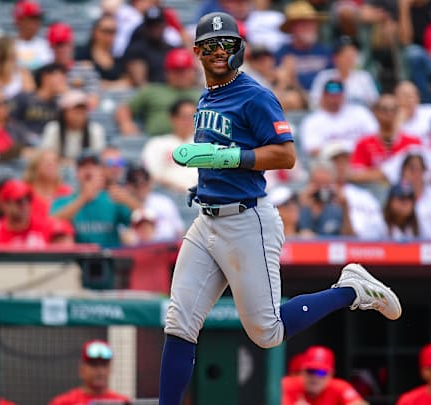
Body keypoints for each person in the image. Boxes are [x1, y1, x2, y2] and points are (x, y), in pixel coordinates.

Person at [159, 13, 401, 405]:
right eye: (210, 45)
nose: (219, 51)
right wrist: (210, 176)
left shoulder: (254, 94)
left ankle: (350, 289)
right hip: (207, 219)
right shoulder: (208, 94)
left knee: (267, 331)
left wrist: (229, 158)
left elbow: (286, 156)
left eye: (227, 44)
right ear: (197, 53)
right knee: (179, 322)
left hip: (246, 219)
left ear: (239, 48)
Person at [51, 150, 133, 248]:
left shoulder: (113, 198)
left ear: (101, 171)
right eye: (83, 165)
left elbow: (141, 220)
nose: (88, 168)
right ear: (76, 173)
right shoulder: (64, 201)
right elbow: (52, 221)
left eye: (93, 165)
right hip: (76, 260)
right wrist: (83, 198)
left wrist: (128, 200)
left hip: (109, 258)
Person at [115, 47, 201, 136]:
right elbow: (124, 109)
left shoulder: (204, 95)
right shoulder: (153, 90)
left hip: (193, 142)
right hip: (158, 142)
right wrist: (126, 123)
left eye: (184, 70)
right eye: (176, 70)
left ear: (192, 71)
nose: (180, 75)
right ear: (167, 72)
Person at [349, 94, 422, 184]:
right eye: (384, 110)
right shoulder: (363, 143)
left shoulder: (412, 143)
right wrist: (389, 173)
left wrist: (376, 174)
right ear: (375, 113)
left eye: (393, 110)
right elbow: (356, 175)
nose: (389, 113)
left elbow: (420, 173)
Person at [299, 79, 378, 157]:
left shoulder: (360, 113)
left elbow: (376, 137)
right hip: (329, 164)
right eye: (331, 95)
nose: (335, 99)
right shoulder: (312, 121)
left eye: (338, 95)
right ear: (323, 96)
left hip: (361, 160)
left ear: (344, 95)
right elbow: (312, 149)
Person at [47, 340, 131, 405]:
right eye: (94, 365)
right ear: (82, 369)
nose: (100, 371)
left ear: (110, 369)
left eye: (104, 365)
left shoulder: (122, 402)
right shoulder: (63, 403)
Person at [141, 99, 198, 193]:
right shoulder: (156, 144)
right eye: (184, 117)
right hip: (166, 196)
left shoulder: (205, 145)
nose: (189, 122)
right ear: (173, 118)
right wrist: (175, 186)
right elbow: (150, 174)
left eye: (193, 117)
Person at [282, 345, 368, 405]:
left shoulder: (339, 387)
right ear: (302, 371)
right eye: (311, 371)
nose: (315, 377)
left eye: (321, 372)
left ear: (331, 375)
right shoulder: (287, 385)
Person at [308, 36, 379, 108]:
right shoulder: (324, 77)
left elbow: (375, 104)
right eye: (346, 54)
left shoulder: (364, 77)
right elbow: (314, 103)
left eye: (353, 54)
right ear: (335, 58)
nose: (350, 58)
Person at [0, 179, 53, 247]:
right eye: (19, 201)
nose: (25, 204)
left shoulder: (48, 227)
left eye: (28, 199)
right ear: (5, 205)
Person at [40, 90, 106, 162]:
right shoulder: (53, 129)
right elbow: (47, 156)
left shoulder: (95, 130)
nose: (80, 116)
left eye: (83, 112)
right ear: (64, 112)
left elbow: (98, 159)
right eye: (76, 112)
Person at [11, 63, 68, 138]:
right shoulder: (23, 98)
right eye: (59, 77)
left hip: (50, 145)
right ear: (45, 77)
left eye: (64, 77)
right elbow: (11, 121)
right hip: (24, 142)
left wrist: (68, 95)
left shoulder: (60, 103)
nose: (63, 80)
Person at [75, 15, 129, 89]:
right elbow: (77, 81)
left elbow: (127, 82)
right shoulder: (82, 54)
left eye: (113, 32)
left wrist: (107, 85)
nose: (109, 35)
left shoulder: (119, 57)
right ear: (94, 31)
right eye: (106, 31)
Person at [23, 149, 73, 216]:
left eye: (55, 161)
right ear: (35, 166)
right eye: (45, 161)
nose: (51, 164)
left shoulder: (66, 192)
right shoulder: (25, 192)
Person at [12, 0, 53, 70]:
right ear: (19, 21)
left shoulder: (45, 45)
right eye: (32, 18)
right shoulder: (9, 46)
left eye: (38, 18)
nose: (36, 23)